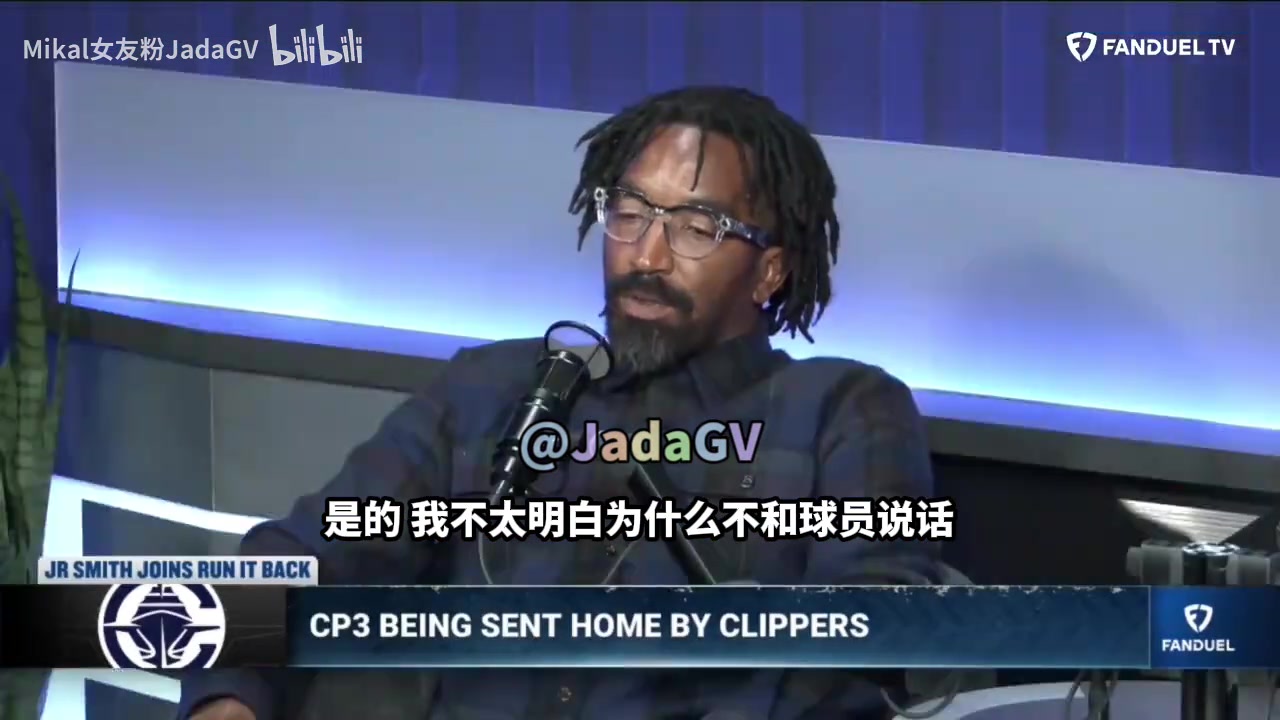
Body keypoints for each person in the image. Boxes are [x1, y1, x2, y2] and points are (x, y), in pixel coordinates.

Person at [182, 86, 943, 720]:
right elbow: (301, 555)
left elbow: (869, 638)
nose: (647, 256)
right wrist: (227, 699)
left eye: (696, 227)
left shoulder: (844, 409)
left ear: (769, 271)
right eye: (631, 213)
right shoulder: (492, 388)